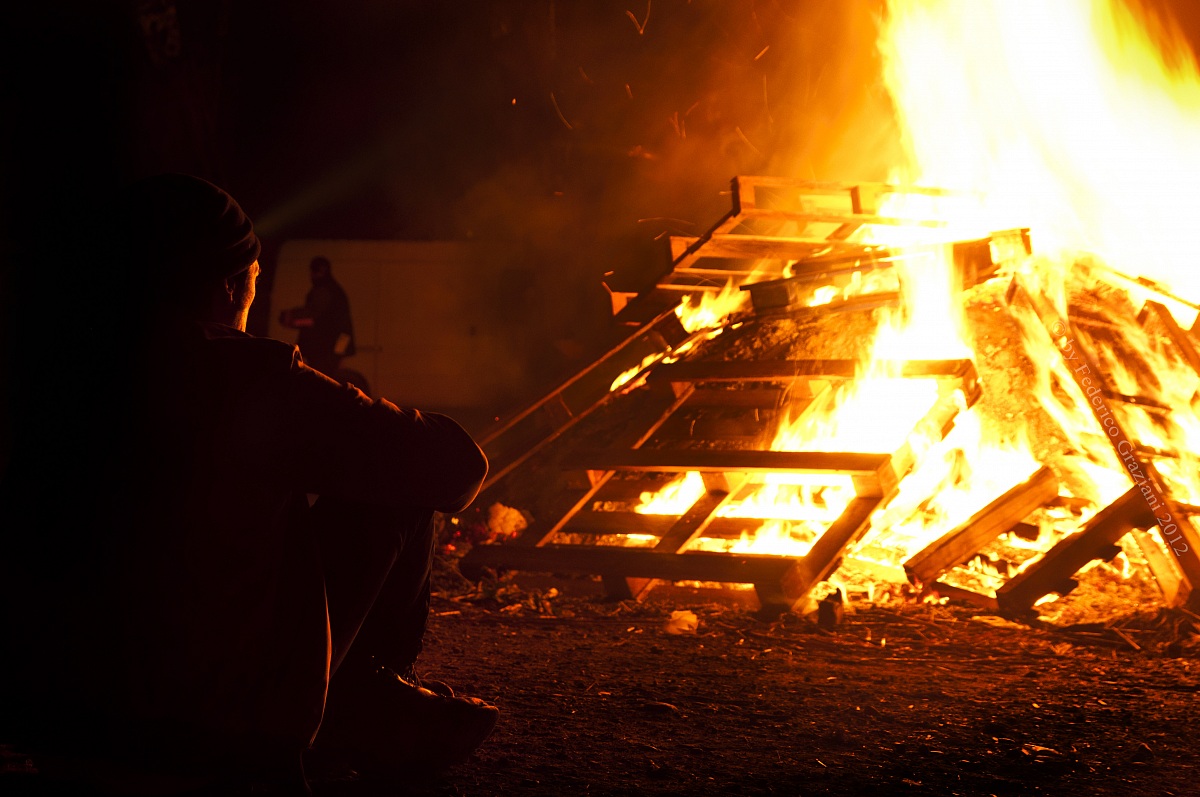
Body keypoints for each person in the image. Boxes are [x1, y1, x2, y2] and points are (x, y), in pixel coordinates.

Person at [0, 174, 495, 795]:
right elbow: (453, 466)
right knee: (396, 484)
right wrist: (350, 417)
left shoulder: (56, 375)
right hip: (208, 737)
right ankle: (366, 702)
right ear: (231, 284)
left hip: (55, 724)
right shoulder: (237, 376)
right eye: (253, 287)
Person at [279, 256, 356, 378]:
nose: (312, 275)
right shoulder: (334, 290)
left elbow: (313, 315)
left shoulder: (324, 290)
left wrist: (290, 316)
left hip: (324, 348)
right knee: (327, 378)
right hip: (331, 346)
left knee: (321, 377)